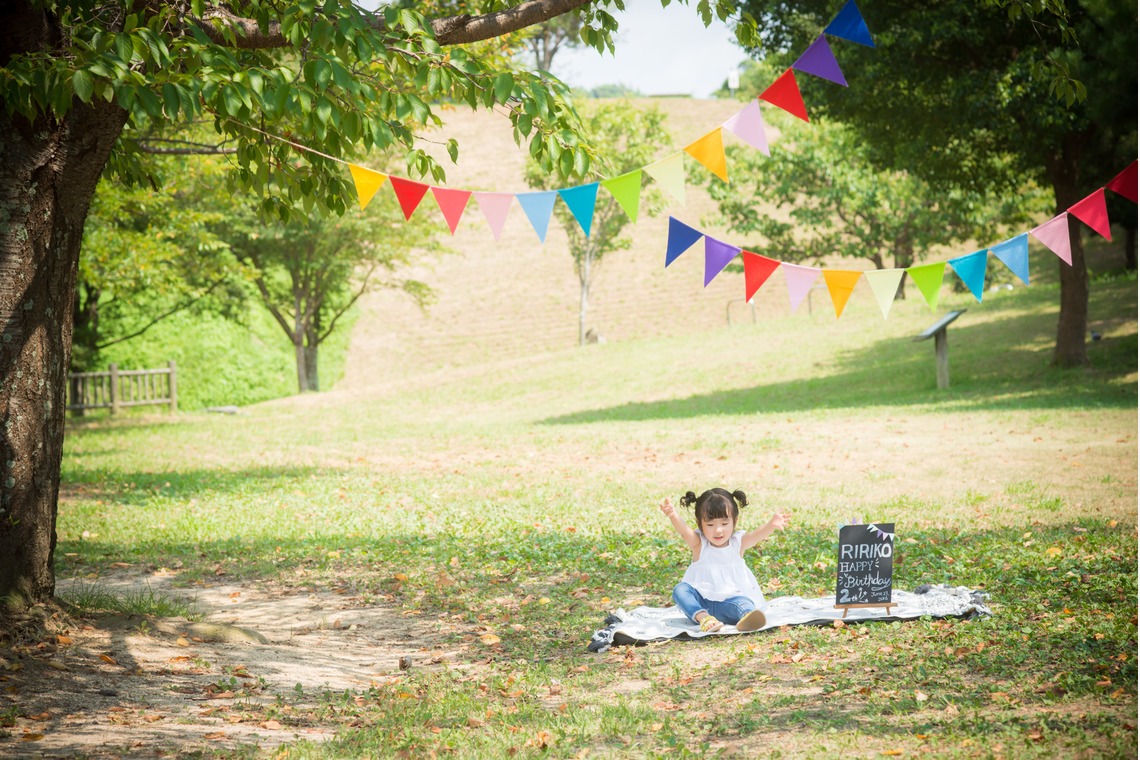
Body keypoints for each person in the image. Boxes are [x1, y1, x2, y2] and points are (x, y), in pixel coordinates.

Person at [659, 488, 790, 633]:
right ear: (699, 523)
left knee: (744, 603)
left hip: (730, 604)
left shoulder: (737, 544)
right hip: (701, 604)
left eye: (724, 523)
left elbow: (756, 535)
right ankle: (705, 619)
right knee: (680, 590)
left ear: (735, 521)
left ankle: (747, 617)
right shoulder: (699, 545)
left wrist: (771, 525)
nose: (718, 530)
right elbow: (684, 532)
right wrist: (673, 515)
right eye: (710, 525)